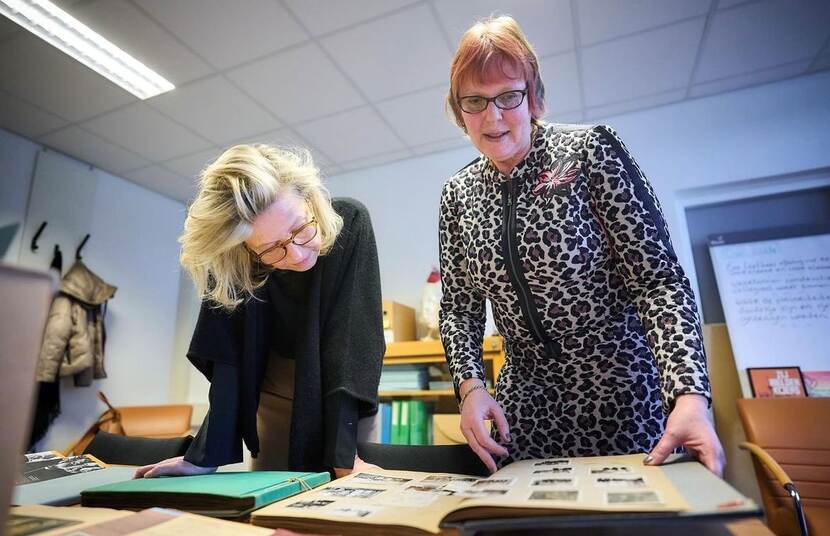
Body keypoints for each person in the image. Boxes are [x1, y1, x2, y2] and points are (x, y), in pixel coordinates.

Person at [439, 16, 725, 475]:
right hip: (526, 412)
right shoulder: (458, 195)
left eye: (508, 96)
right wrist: (471, 387)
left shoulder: (590, 151)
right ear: (460, 111)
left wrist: (689, 394)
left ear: (532, 95)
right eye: (475, 101)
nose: (493, 117)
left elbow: (659, 282)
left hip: (625, 397)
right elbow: (460, 308)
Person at [135, 144, 384, 478]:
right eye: (271, 249)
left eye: (299, 229)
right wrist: (203, 456)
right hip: (272, 393)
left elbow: (351, 341)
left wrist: (343, 456)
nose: (295, 255)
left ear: (309, 198)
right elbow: (228, 356)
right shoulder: (233, 256)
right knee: (273, 501)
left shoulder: (350, 221)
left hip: (345, 395)